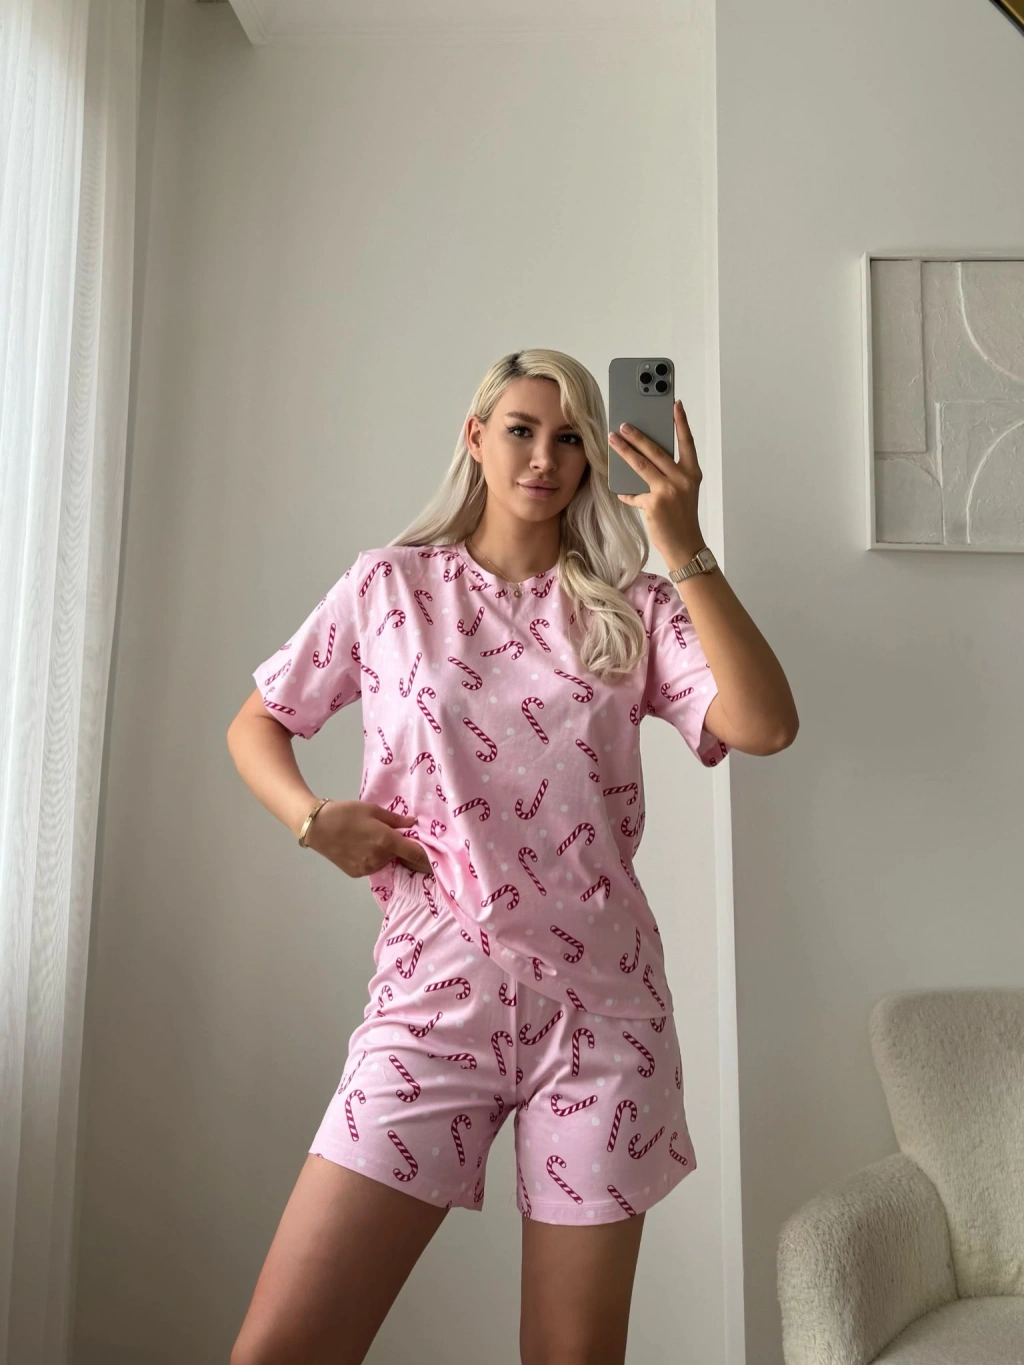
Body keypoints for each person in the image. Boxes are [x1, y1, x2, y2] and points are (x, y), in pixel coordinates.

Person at [226, 349, 798, 1365]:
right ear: (476, 437)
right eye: (522, 430)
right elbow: (258, 721)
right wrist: (314, 821)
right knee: (283, 1348)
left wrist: (682, 543)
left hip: (603, 1022)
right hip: (432, 1002)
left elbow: (764, 724)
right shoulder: (391, 586)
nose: (544, 457)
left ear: (593, 458)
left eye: (571, 437)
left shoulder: (630, 608)